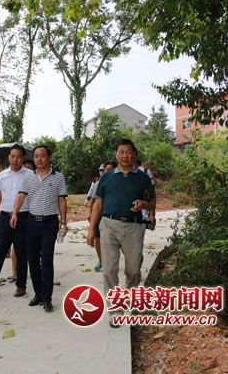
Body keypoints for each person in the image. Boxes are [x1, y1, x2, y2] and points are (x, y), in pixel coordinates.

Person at [87, 139, 156, 328]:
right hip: (109, 225)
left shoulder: (143, 178)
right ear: (116, 155)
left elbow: (152, 202)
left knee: (133, 270)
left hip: (133, 227)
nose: (125, 156)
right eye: (121, 152)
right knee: (109, 269)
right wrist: (91, 229)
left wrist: (145, 205)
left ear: (135, 154)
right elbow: (98, 204)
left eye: (129, 152)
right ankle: (116, 311)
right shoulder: (106, 177)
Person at [10, 145, 68, 312]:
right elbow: (21, 196)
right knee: (33, 260)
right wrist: (14, 214)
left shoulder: (58, 177)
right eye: (36, 156)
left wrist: (64, 222)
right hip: (31, 223)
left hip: (49, 224)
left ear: (48, 157)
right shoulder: (29, 177)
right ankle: (38, 294)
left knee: (46, 261)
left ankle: (47, 298)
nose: (39, 159)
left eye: (42, 156)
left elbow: (62, 200)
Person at [0, 144, 30, 298]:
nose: (15, 159)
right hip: (4, 217)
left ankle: (21, 286)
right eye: (12, 156)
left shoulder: (30, 175)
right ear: (9, 157)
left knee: (21, 252)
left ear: (23, 158)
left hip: (23, 218)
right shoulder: (2, 175)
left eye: (18, 157)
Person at [87, 161, 117, 272]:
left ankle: (111, 261)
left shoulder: (121, 182)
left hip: (115, 216)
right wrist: (91, 215)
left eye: (110, 170)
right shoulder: (99, 183)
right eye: (106, 170)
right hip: (100, 215)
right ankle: (101, 260)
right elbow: (93, 201)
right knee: (98, 239)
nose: (107, 172)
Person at [136, 159, 156, 230]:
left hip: (143, 207)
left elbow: (152, 194)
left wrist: (152, 213)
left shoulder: (145, 172)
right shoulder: (121, 173)